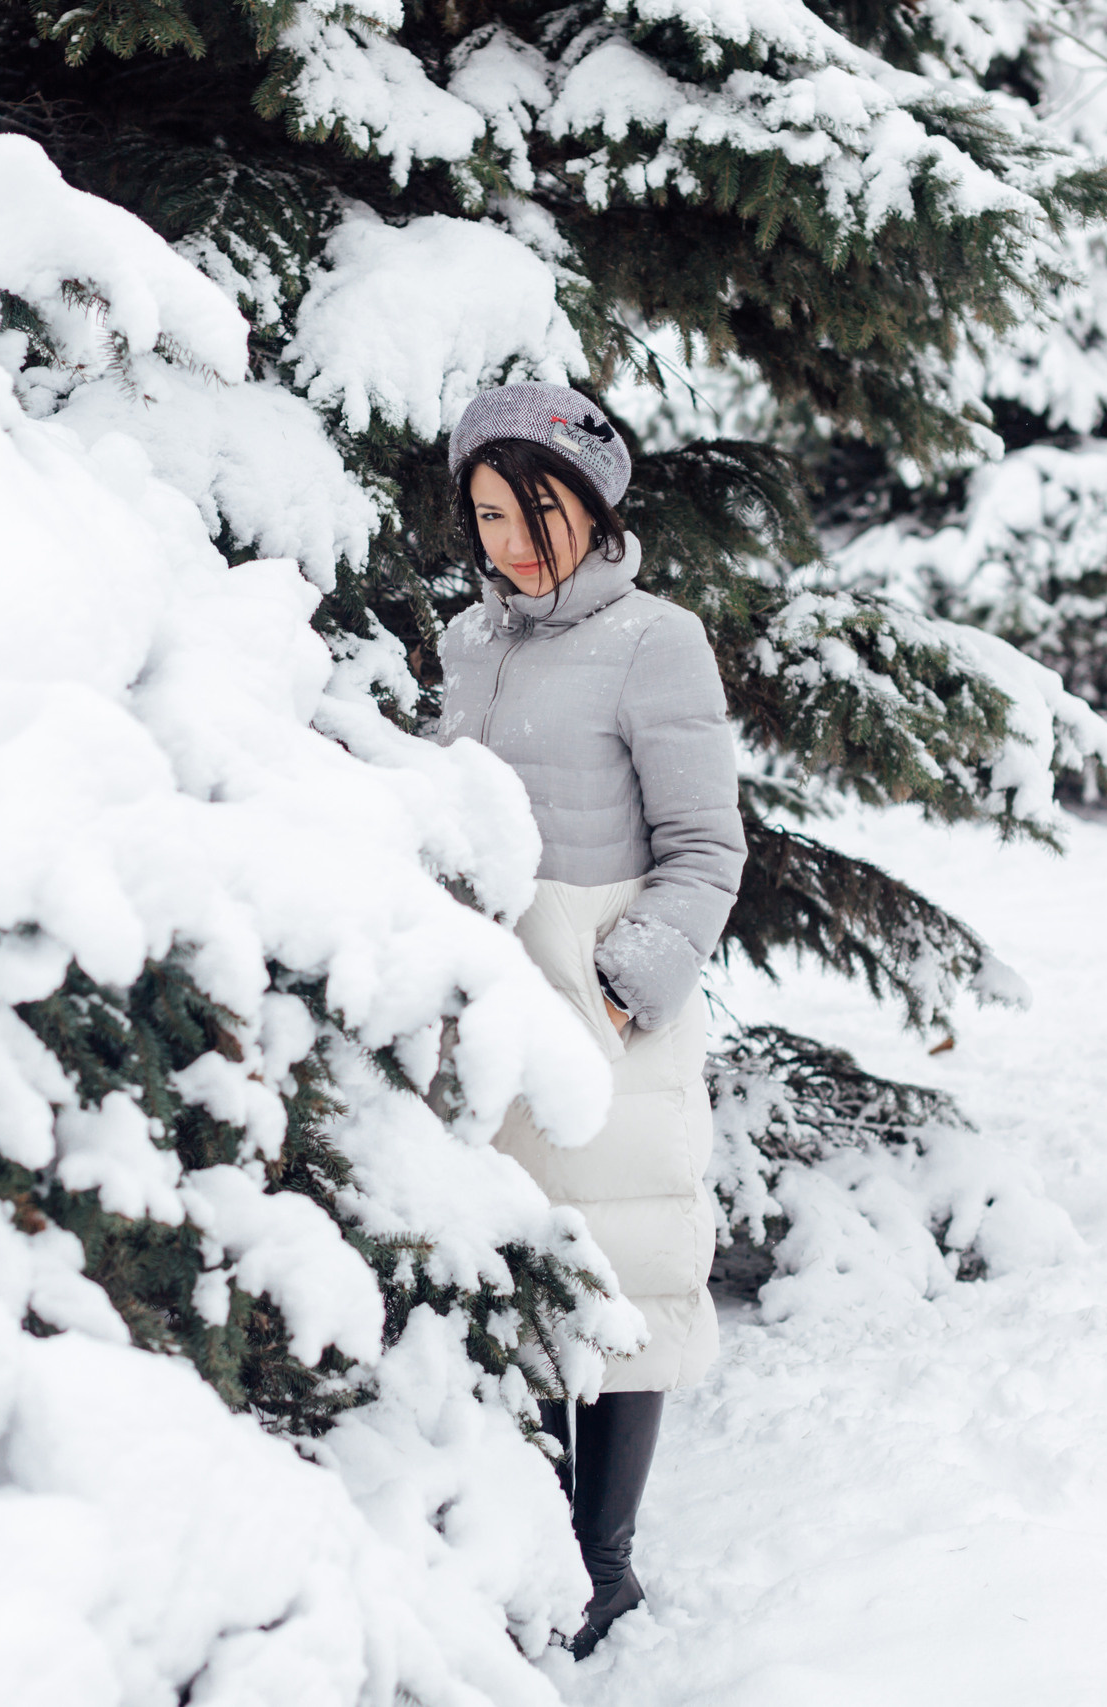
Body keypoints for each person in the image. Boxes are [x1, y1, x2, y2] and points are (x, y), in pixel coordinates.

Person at [431, 381, 745, 1657]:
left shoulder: (656, 640)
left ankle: (601, 1567)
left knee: (621, 1274)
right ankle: (531, 1546)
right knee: (511, 1269)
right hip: (491, 997)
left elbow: (704, 847)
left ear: (595, 506)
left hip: (601, 992)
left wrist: (621, 984)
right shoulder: (469, 641)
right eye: (489, 515)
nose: (509, 544)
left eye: (535, 513)